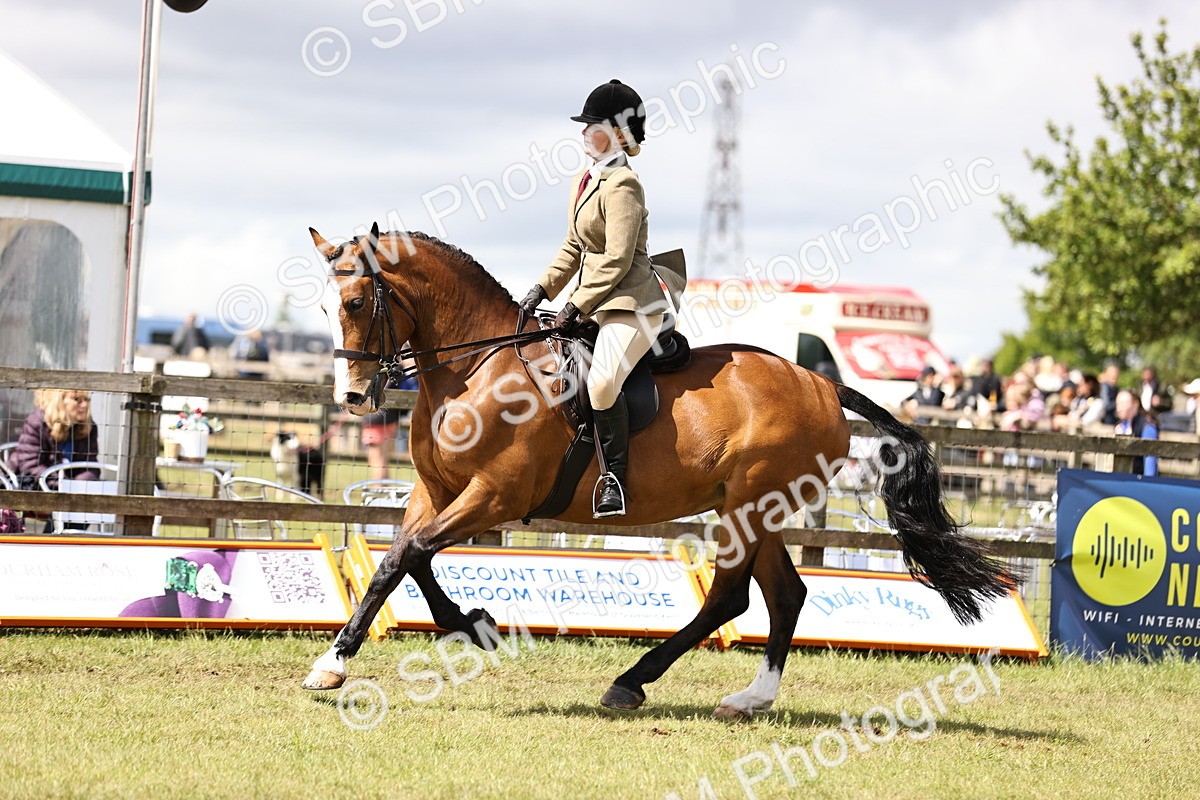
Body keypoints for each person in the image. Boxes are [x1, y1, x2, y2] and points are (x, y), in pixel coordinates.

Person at [517, 79, 683, 518]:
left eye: (593, 126)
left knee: (602, 380)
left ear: (619, 132)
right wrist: (542, 290)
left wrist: (576, 305)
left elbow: (616, 259)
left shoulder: (625, 184)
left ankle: (614, 479)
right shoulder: (584, 181)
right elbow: (574, 248)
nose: (584, 133)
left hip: (632, 305)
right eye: (585, 126)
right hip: (594, 303)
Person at [12, 389, 101, 490]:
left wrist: (77, 485)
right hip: (38, 486)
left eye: (86, 399)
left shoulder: (89, 427)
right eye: (77, 399)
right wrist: (63, 484)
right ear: (59, 401)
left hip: (73, 488)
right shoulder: (37, 422)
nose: (84, 404)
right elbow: (30, 466)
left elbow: (91, 466)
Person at [1115, 389, 1158, 476]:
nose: (1119, 408)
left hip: (1138, 481)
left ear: (1135, 404)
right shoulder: (1119, 427)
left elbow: (1150, 464)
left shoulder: (1147, 427)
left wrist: (1147, 485)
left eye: (1123, 404)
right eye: (1117, 404)